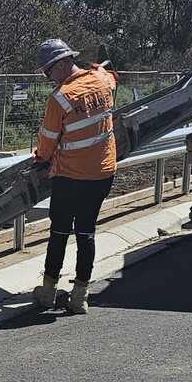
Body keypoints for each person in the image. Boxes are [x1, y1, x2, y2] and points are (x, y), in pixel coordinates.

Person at [31, 38, 119, 315]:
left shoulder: (59, 98)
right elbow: (111, 75)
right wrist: (103, 69)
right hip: (102, 173)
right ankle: (80, 296)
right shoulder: (102, 82)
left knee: (59, 233)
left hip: (69, 177)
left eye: (49, 71)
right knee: (86, 232)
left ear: (64, 62)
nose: (48, 78)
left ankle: (47, 292)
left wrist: (40, 160)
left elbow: (47, 141)